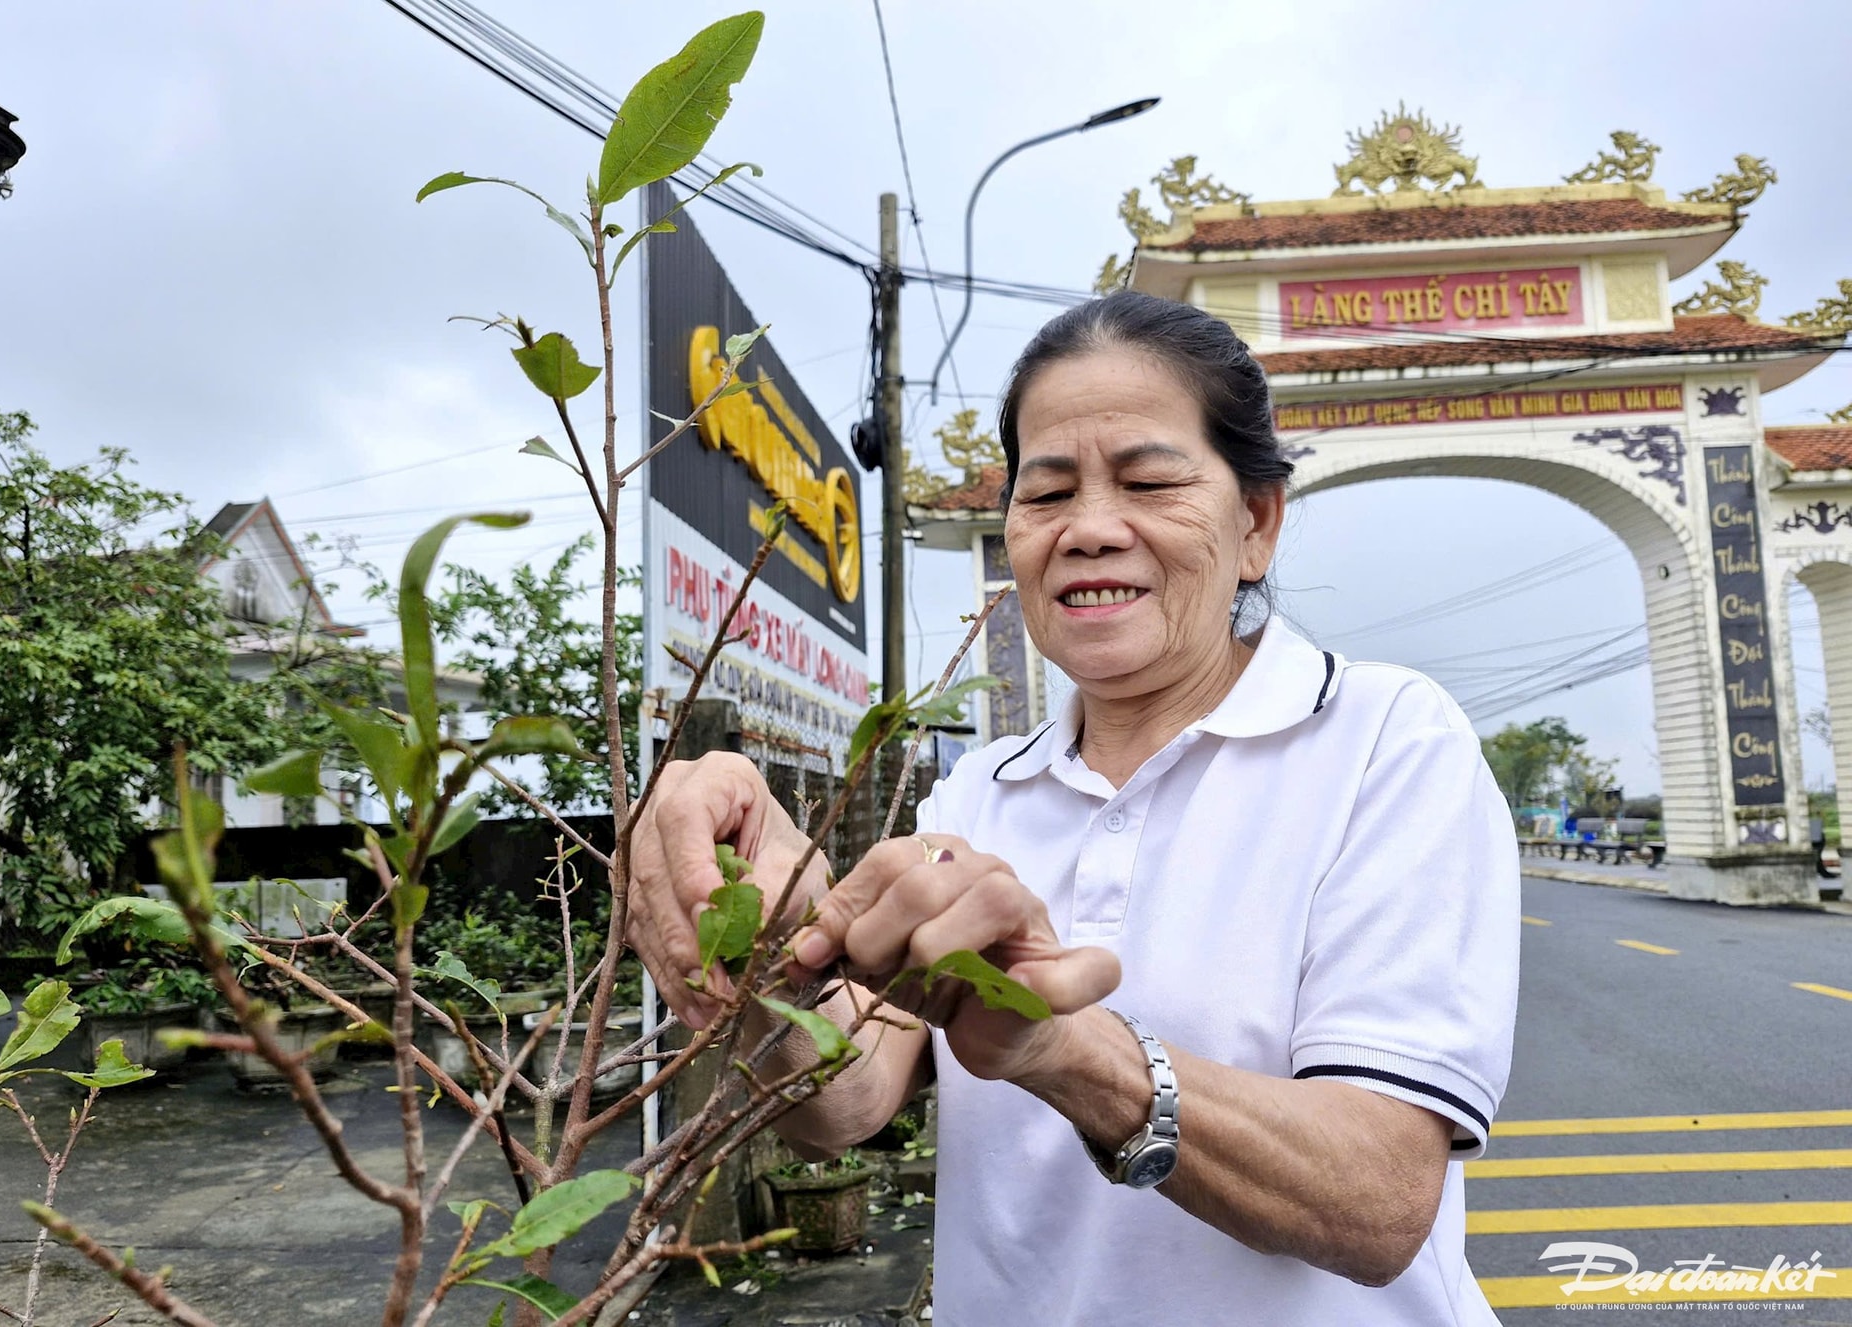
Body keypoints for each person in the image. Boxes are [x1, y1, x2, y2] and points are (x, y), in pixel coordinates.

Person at [627, 291, 1520, 1326]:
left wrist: (1066, 1051)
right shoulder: (978, 792)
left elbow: (1379, 1201)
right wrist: (762, 926)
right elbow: (849, 1097)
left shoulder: (1383, 741)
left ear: (1257, 523)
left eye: (1149, 480)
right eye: (1047, 494)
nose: (1091, 529)